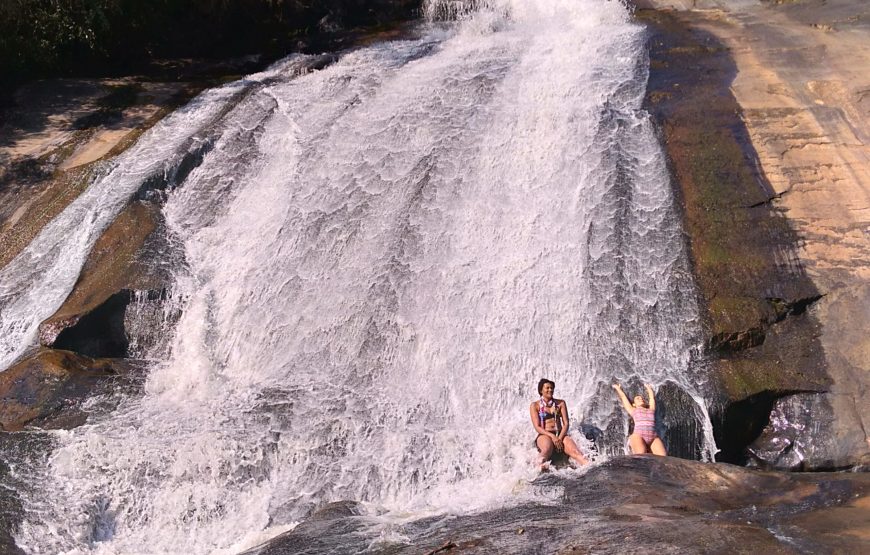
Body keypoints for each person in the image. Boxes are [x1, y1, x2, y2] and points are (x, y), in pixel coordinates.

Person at [529, 378, 589, 469]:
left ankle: (589, 466)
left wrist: (559, 438)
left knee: (576, 452)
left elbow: (566, 423)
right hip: (545, 434)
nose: (550, 390)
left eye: (552, 388)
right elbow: (537, 427)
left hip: (560, 434)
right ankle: (535, 469)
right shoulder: (535, 405)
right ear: (541, 390)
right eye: (547, 388)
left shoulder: (560, 403)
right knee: (545, 450)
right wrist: (552, 437)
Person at [612, 382, 667, 456]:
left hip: (653, 437)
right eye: (638, 398)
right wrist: (618, 389)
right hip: (639, 435)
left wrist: (649, 389)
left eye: (642, 398)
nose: (641, 399)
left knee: (663, 456)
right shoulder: (633, 410)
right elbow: (623, 398)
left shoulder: (651, 409)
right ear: (634, 404)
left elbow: (652, 399)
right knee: (641, 456)